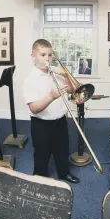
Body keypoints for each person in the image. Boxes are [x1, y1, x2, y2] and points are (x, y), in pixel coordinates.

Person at [23, 39, 80, 184]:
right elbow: (34, 108)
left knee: (62, 150)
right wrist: (51, 96)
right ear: (33, 57)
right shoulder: (30, 80)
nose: (47, 58)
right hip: (41, 124)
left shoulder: (56, 71)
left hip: (60, 120)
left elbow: (73, 90)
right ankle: (39, 178)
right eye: (42, 55)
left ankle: (64, 173)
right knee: (42, 154)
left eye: (49, 55)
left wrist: (66, 74)